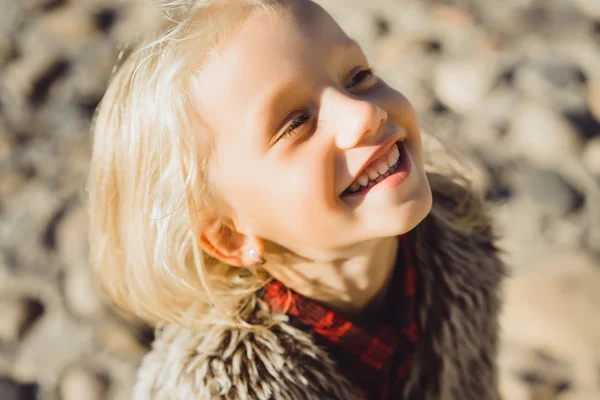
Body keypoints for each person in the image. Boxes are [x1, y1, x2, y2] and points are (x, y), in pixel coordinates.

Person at [87, 0, 506, 398]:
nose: (364, 113)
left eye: (358, 76)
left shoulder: (458, 252)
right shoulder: (225, 390)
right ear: (231, 237)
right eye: (297, 122)